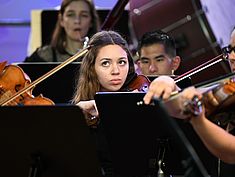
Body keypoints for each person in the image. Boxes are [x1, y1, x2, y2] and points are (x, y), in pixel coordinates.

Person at [71, 30, 178, 177]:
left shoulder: (141, 95)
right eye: (105, 63)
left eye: (122, 62)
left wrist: (170, 84)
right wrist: (75, 117)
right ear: (92, 69)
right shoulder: (82, 111)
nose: (116, 71)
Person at [143, 76, 235, 165]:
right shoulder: (227, 88)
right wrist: (169, 87)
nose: (232, 60)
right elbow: (177, 109)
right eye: (231, 61)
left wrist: (198, 120)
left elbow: (231, 153)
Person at [24, 0, 100, 62]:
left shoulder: (100, 55)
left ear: (91, 22)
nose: (77, 21)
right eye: (70, 15)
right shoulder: (45, 55)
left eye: (84, 15)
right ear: (61, 20)